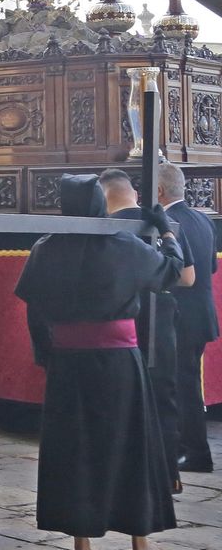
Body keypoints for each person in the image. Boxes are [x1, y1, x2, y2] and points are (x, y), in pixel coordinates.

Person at [17, 174, 183, 550]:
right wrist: (166, 231)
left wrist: (48, 354)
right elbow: (173, 271)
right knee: (131, 444)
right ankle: (141, 545)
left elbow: (34, 308)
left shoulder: (45, 248)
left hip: (69, 364)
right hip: (119, 362)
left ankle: (83, 548)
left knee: (76, 449)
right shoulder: (124, 245)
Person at [101, 167, 194, 491]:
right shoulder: (160, 221)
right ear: (135, 194)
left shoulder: (103, 228)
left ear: (104, 196)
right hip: (162, 314)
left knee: (122, 401)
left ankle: (127, 473)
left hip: (121, 319)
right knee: (163, 396)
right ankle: (168, 473)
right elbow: (186, 276)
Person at [157, 163, 219, 473]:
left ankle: (195, 452)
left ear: (158, 191)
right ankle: (189, 448)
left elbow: (178, 274)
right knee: (186, 384)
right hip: (201, 314)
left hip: (179, 317)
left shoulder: (168, 223)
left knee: (182, 387)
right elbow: (211, 268)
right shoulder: (202, 220)